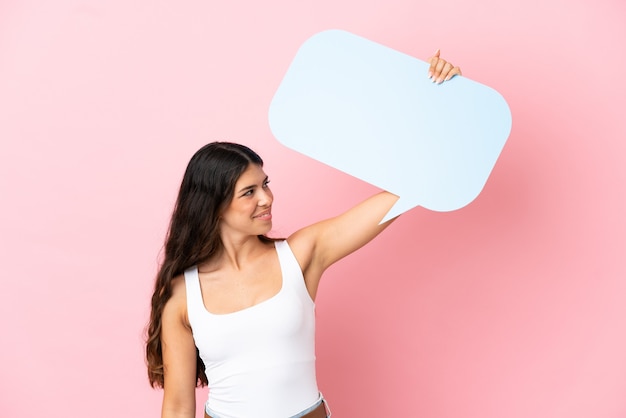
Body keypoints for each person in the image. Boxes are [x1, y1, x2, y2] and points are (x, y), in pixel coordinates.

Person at [146, 52, 461, 418]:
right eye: (249, 193)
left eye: (265, 184)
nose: (267, 199)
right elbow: (179, 404)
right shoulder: (182, 296)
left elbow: (404, 194)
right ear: (213, 206)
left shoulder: (300, 254)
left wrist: (445, 100)